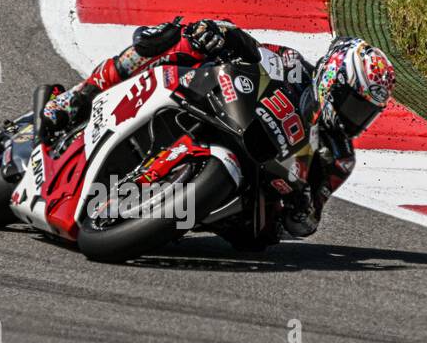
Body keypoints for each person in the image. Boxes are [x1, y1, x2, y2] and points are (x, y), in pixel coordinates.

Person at [34, 19, 394, 238]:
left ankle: (162, 213)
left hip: (250, 197)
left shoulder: (338, 157)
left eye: (365, 113)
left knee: (261, 238)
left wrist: (301, 204)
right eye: (353, 104)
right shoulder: (293, 66)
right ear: (332, 77)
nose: (355, 119)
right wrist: (217, 33)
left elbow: (307, 222)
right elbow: (249, 48)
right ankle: (77, 98)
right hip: (228, 118)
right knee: (174, 41)